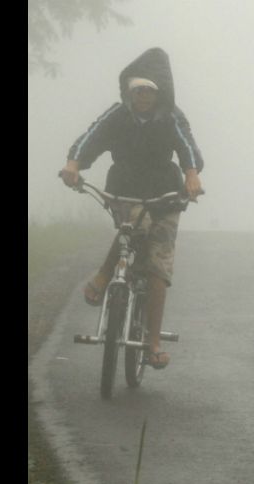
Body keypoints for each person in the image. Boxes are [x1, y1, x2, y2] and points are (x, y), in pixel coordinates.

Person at [59, 47, 204, 369]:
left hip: (166, 194)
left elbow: (188, 149)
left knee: (157, 264)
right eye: (138, 90)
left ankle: (152, 344)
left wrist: (192, 175)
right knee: (133, 227)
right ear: (129, 90)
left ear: (159, 92)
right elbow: (90, 139)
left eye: (149, 91)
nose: (143, 96)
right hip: (125, 189)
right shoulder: (117, 114)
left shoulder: (172, 116)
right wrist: (73, 164)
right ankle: (103, 275)